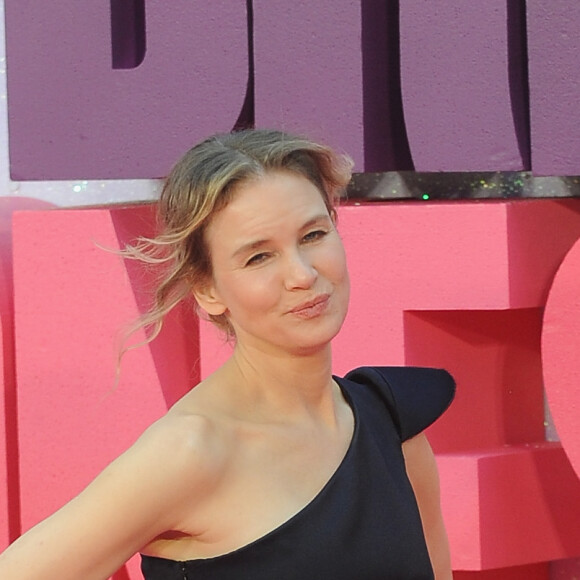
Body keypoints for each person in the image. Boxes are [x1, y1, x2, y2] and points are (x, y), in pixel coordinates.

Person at [0, 129, 455, 579]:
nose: (302, 273)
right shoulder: (190, 452)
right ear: (207, 288)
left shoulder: (390, 421)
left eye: (314, 234)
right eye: (259, 257)